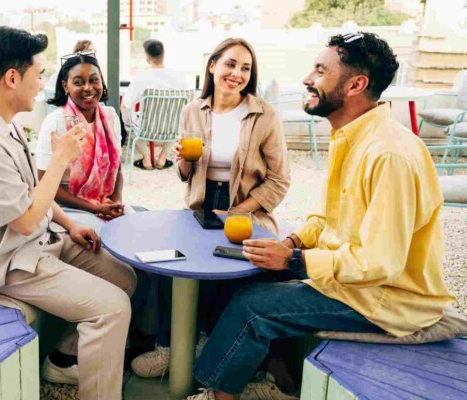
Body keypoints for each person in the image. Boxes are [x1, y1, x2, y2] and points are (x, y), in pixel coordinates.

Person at [186, 32, 454, 400]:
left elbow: (381, 263)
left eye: (320, 71)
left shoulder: (388, 155)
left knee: (252, 306)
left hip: (383, 300)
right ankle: (275, 381)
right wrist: (291, 242)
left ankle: (218, 394)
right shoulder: (352, 137)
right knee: (255, 272)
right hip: (353, 282)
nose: (307, 79)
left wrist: (295, 260)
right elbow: (329, 218)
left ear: (356, 85)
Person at [0, 26, 136, 400]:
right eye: (39, 74)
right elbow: (25, 220)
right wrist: (62, 158)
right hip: (8, 261)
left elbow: (34, 191)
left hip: (43, 240)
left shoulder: (4, 125)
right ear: (12, 78)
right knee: (113, 308)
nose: (42, 83)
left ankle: (63, 360)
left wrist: (71, 224)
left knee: (124, 278)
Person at [131, 38, 290, 380]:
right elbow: (185, 175)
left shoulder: (264, 115)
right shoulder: (193, 110)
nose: (237, 74)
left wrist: (237, 212)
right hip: (200, 207)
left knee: (232, 273)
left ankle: (210, 345)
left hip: (245, 208)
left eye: (245, 68)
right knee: (171, 264)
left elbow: (279, 180)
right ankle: (169, 347)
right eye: (230, 64)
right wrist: (184, 159)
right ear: (213, 66)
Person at [37, 52, 127, 231]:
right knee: (103, 236)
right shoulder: (56, 122)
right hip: (66, 208)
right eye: (78, 82)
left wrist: (116, 201)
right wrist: (95, 209)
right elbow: (44, 183)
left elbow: (117, 167)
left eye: (94, 80)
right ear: (65, 86)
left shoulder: (111, 116)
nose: (88, 88)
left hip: (104, 202)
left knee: (132, 229)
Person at [122, 39, 189, 170]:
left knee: (125, 111)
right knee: (176, 119)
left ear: (148, 58)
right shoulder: (179, 77)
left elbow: (127, 104)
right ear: (163, 54)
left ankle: (146, 157)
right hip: (171, 128)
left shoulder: (141, 77)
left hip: (146, 128)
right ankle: (163, 156)